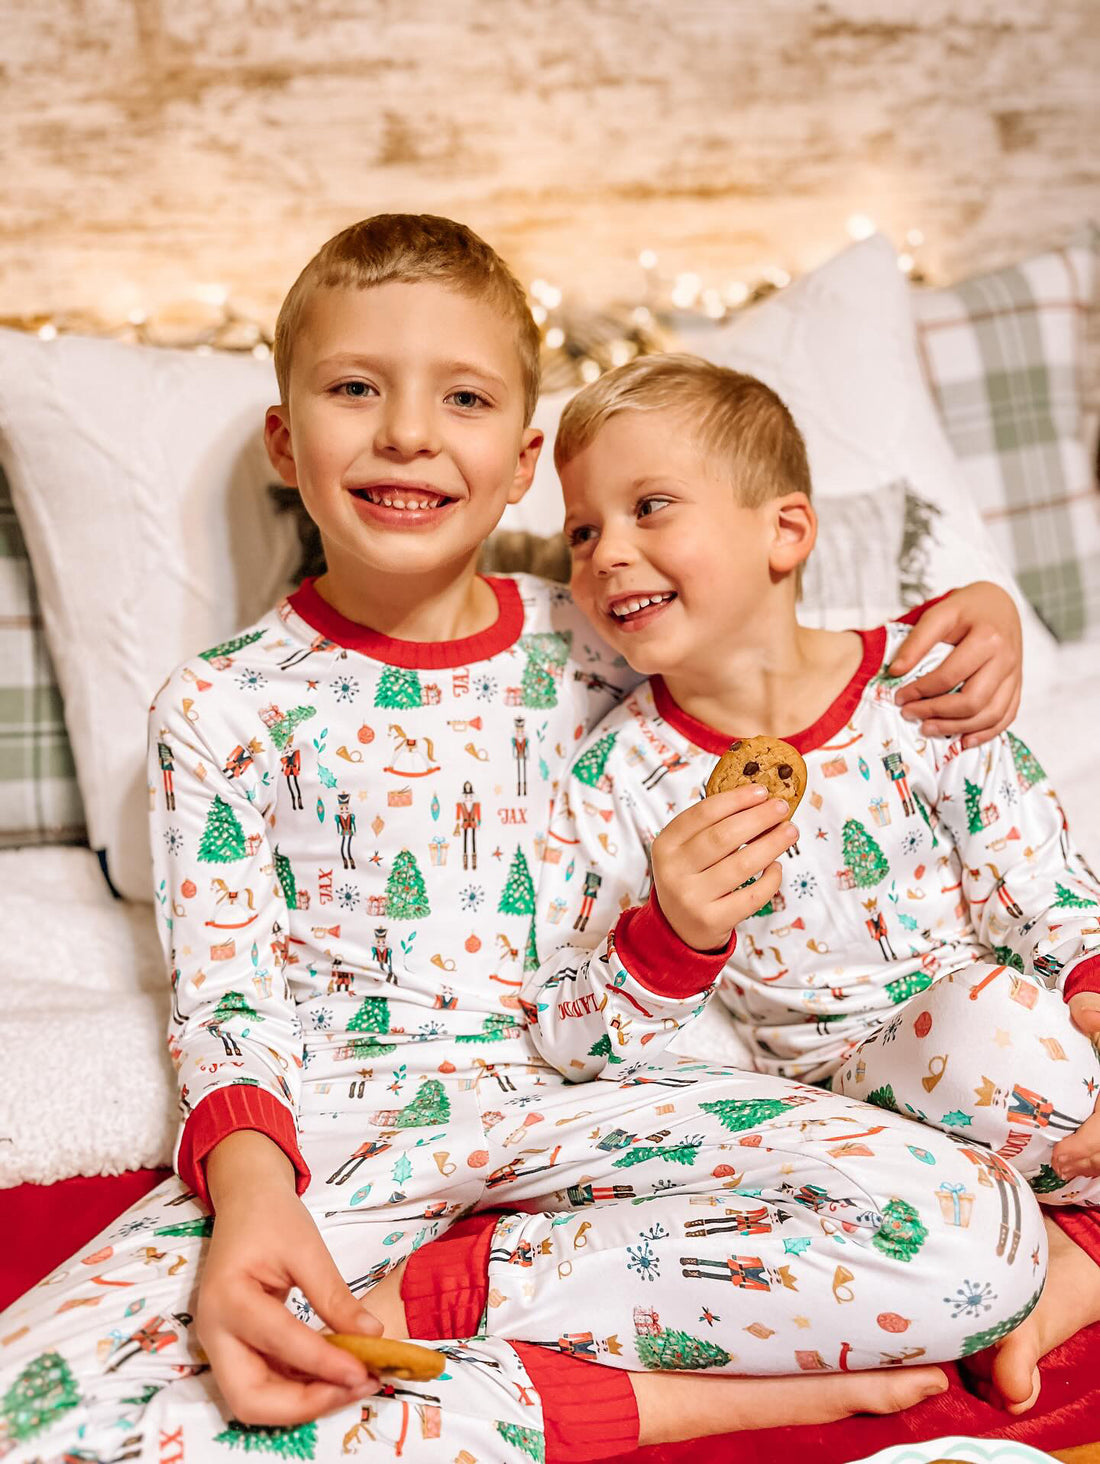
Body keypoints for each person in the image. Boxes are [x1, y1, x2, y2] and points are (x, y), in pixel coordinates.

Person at [0, 217, 1037, 1464]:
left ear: (521, 462)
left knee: (976, 1238)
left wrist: (970, 611)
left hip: (594, 1111)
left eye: (464, 397)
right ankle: (646, 1401)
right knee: (42, 1419)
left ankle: (478, 1303)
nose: (405, 432)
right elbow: (225, 998)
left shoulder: (608, 627)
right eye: (351, 389)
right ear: (286, 439)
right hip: (343, 1139)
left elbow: (784, 642)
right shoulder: (221, 707)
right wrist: (253, 1207)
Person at [537, 351, 1100, 1419]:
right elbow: (572, 1040)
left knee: (1007, 1024)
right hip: (831, 1108)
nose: (608, 553)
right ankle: (1030, 1252)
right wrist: (671, 936)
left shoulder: (918, 691)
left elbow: (1042, 889)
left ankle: (1058, 1260)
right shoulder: (616, 777)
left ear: (784, 534)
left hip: (998, 1045)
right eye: (580, 531)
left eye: (649, 507)